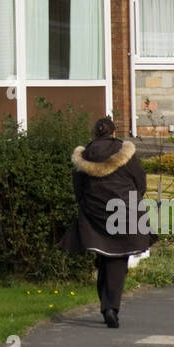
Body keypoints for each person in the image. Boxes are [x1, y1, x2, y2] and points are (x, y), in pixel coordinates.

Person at [60, 116, 153, 329]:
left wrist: (88, 205)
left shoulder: (84, 155)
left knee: (104, 256)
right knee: (118, 259)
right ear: (113, 133)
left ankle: (106, 306)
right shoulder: (125, 153)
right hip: (124, 212)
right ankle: (111, 307)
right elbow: (140, 181)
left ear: (95, 133)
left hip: (95, 213)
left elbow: (78, 189)